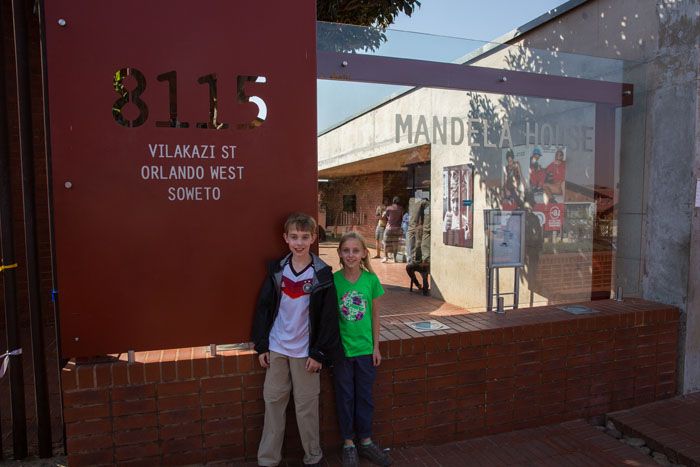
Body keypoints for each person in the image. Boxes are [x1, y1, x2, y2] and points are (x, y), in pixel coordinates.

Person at [252, 212, 341, 467]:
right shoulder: (277, 270)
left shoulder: (322, 274)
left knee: (306, 408)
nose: (299, 242)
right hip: (277, 347)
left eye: (304, 237)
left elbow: (327, 319)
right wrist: (261, 346)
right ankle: (268, 460)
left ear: (313, 238)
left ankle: (313, 457)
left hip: (306, 353)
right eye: (294, 237)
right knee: (273, 405)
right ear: (285, 238)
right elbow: (264, 309)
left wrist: (319, 353)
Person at [333, 232, 392, 467]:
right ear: (339, 253)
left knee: (364, 398)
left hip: (366, 351)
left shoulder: (371, 281)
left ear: (364, 253)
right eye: (346, 250)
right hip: (342, 353)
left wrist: (376, 347)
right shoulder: (334, 281)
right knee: (345, 397)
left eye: (355, 250)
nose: (350, 255)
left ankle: (365, 441)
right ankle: (348, 443)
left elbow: (375, 316)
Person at [381, 196, 403, 263]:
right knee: (395, 243)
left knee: (385, 242)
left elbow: (384, 216)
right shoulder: (401, 208)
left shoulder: (389, 208)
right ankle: (395, 259)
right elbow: (401, 218)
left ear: (393, 201)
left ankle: (385, 257)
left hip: (389, 228)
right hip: (397, 229)